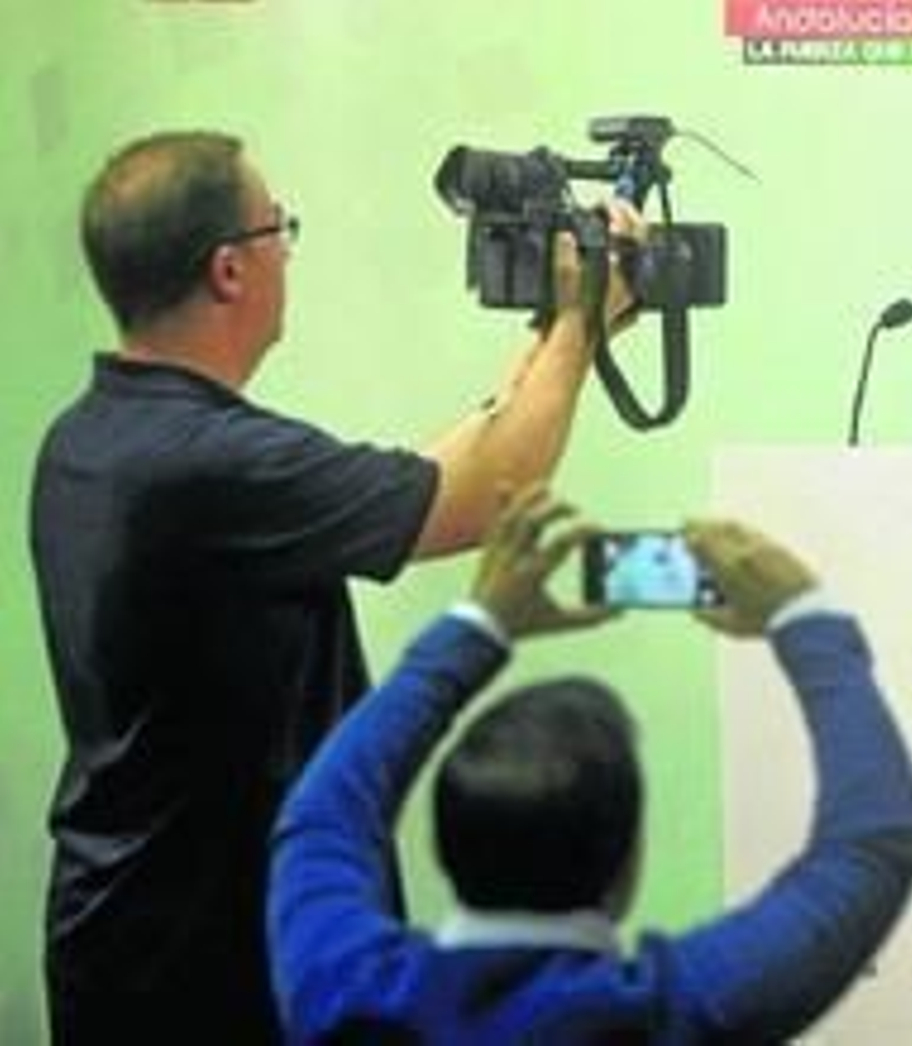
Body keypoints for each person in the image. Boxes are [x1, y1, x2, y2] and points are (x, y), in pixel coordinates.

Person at [29, 130, 637, 1044]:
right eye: (282, 228)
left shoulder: (95, 438)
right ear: (231, 270)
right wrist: (582, 327)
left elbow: (429, 479)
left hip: (124, 934)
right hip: (217, 963)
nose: (289, 251)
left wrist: (556, 341)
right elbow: (476, 501)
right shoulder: (211, 463)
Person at [266, 485, 912, 1043]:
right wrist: (804, 618)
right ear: (629, 862)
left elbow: (326, 815)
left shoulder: (343, 985)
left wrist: (477, 628)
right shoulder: (680, 1010)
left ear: (441, 844)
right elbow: (872, 845)